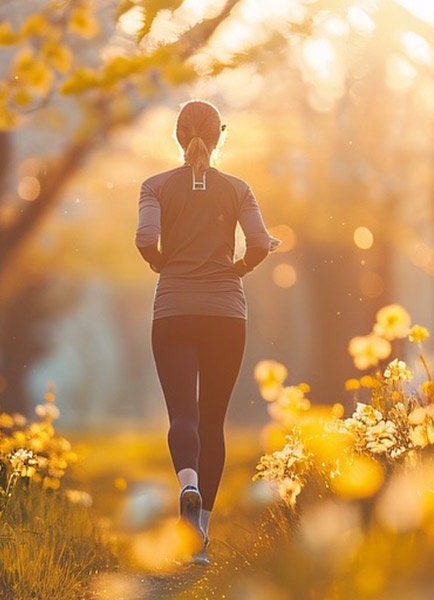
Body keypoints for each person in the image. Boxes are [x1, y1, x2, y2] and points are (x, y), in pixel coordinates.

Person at [135, 99, 276, 566]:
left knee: (183, 415)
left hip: (173, 309)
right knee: (212, 419)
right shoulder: (238, 189)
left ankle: (188, 484)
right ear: (220, 136)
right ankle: (200, 538)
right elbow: (259, 244)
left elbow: (144, 240)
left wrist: (161, 263)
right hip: (225, 312)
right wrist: (236, 268)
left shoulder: (155, 187)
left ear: (178, 137)